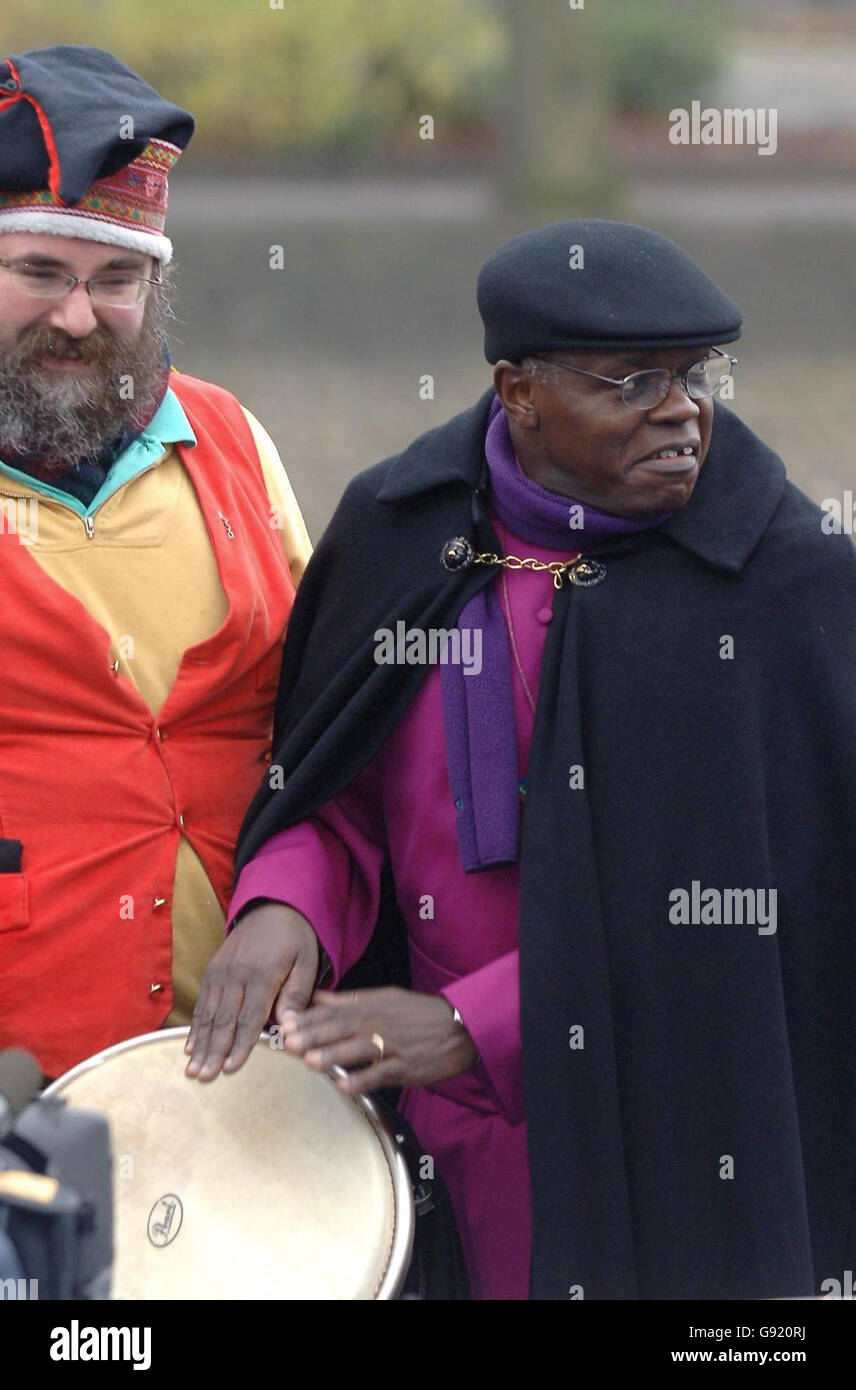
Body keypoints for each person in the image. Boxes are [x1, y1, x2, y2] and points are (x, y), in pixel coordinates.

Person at [186, 219, 856, 1301]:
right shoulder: (399, 530)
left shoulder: (781, 582)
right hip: (416, 1120)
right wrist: (284, 903)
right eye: (633, 382)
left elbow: (753, 916)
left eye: (696, 375)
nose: (682, 410)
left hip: (675, 1134)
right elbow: (337, 792)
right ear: (519, 391)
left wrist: (480, 1023)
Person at [0, 46, 311, 1080]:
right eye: (39, 272)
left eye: (116, 279)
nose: (77, 318)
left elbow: (324, 737)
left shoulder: (231, 439)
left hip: (240, 1085)